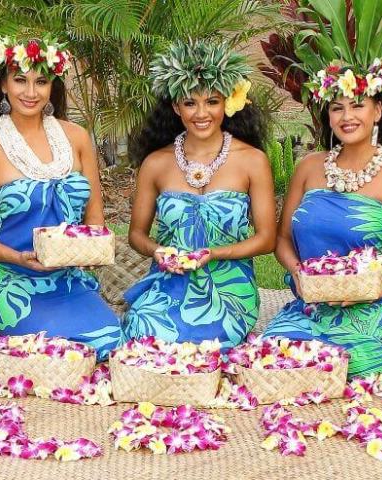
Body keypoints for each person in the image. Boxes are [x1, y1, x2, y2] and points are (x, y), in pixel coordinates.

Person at [262, 60, 382, 378]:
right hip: (313, 302)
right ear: (328, 116)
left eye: (357, 106)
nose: (347, 117)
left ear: (377, 111)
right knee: (278, 358)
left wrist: (374, 289)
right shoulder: (309, 167)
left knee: (351, 364)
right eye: (337, 108)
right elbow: (282, 240)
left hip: (371, 304)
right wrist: (299, 275)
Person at [0, 38, 120, 360]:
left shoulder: (76, 138)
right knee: (65, 350)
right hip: (6, 279)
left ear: (52, 86)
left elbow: (94, 215)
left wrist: (92, 248)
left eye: (41, 82)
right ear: (3, 85)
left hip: (65, 278)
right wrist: (18, 258)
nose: (30, 92)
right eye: (20, 80)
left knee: (109, 339)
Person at [123, 40, 276, 348]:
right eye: (190, 103)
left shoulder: (252, 161)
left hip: (228, 288)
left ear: (228, 103)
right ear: (176, 107)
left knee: (209, 338)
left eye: (212, 102)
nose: (201, 113)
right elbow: (136, 235)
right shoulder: (156, 163)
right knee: (144, 330)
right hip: (169, 282)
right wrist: (157, 251)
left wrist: (214, 254)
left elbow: (267, 239)